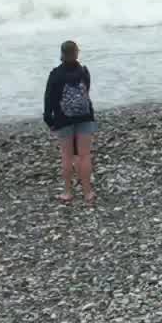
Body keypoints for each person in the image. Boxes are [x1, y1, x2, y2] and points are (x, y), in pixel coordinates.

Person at [43, 40, 96, 205]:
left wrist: (49, 119)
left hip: (63, 119)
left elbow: (49, 99)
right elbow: (86, 93)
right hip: (84, 116)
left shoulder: (55, 75)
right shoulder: (83, 72)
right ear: (77, 53)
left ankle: (67, 192)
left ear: (61, 54)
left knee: (66, 156)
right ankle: (88, 193)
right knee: (84, 155)